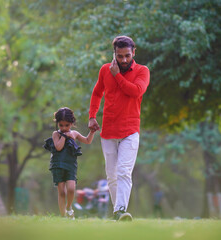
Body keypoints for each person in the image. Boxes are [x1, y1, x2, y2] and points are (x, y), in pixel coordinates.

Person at [88, 36, 150, 221]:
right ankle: (118, 214)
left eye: (127, 56)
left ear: (134, 53)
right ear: (114, 53)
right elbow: (97, 92)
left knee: (124, 171)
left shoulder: (142, 71)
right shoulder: (104, 70)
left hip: (130, 131)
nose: (124, 60)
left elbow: (136, 91)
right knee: (112, 176)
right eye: (120, 55)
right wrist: (92, 116)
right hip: (108, 132)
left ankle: (120, 209)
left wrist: (117, 75)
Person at [44, 107, 96, 219]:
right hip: (57, 165)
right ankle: (63, 216)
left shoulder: (75, 133)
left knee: (71, 189)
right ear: (57, 123)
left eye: (66, 125)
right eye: (61, 125)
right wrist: (65, 136)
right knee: (62, 191)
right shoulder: (56, 134)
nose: (63, 128)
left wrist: (92, 132)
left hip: (70, 165)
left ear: (71, 123)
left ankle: (69, 208)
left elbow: (87, 141)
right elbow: (58, 147)